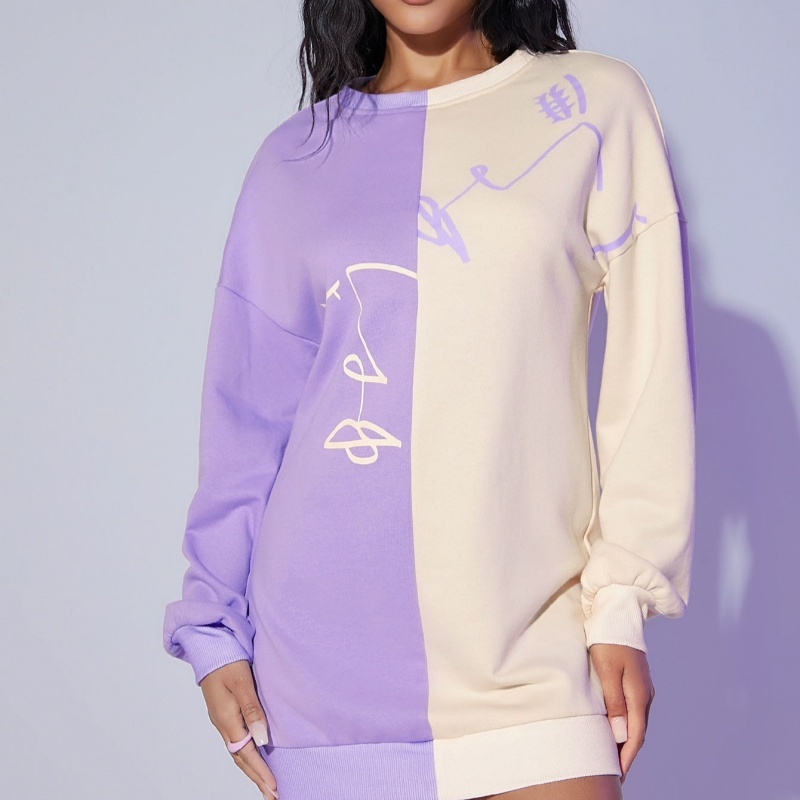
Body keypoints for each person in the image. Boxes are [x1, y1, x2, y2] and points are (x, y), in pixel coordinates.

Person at [162, 1, 697, 799]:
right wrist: (213, 630)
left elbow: (650, 372)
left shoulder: (596, 105)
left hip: (529, 651)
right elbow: (245, 421)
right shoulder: (294, 158)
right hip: (321, 675)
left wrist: (621, 600)